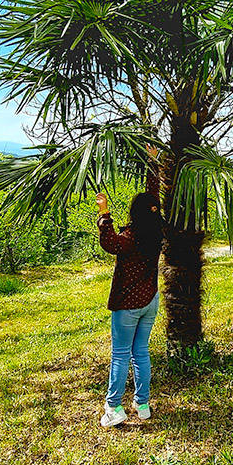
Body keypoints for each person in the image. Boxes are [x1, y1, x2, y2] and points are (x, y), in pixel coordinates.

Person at [95, 147, 163, 427]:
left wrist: (104, 213)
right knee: (141, 352)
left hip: (128, 306)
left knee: (121, 354)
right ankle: (142, 403)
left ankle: (114, 408)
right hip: (150, 300)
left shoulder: (130, 236)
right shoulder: (157, 230)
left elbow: (109, 243)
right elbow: (152, 200)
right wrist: (153, 163)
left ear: (134, 213)